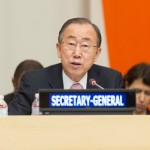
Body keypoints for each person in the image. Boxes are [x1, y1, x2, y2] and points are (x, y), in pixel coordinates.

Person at [8, 17, 123, 115]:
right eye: (71, 44)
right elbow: (11, 123)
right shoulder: (34, 82)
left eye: (85, 45)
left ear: (97, 53)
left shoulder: (110, 82)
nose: (77, 53)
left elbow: (122, 126)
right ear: (59, 49)